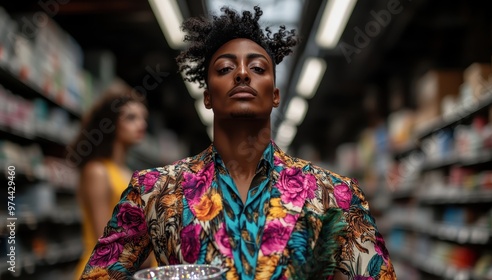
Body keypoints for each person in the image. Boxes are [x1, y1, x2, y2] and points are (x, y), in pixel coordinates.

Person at [80, 6, 397, 280]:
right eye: (225, 68)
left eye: (258, 68)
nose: (242, 74)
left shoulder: (334, 196)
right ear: (207, 96)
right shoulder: (153, 192)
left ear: (276, 95)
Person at [71, 80, 154, 279]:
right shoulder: (97, 171)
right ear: (111, 123)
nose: (141, 124)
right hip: (102, 272)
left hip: (129, 269)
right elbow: (105, 240)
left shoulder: (128, 173)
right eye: (131, 118)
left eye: (143, 118)